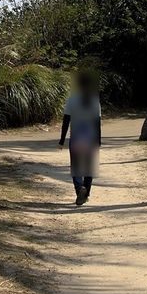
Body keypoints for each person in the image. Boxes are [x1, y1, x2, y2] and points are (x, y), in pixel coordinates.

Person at [58, 70, 102, 206]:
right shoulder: (95, 100)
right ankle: (86, 192)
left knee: (76, 166)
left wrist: (61, 140)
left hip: (77, 135)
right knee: (89, 166)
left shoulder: (72, 99)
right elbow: (97, 122)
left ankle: (79, 190)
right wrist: (98, 140)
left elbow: (66, 120)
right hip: (90, 135)